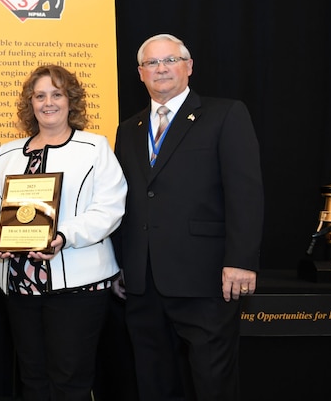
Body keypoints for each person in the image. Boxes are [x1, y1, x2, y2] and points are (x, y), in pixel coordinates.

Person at [113, 33, 264, 400]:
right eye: (152, 63)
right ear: (140, 73)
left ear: (189, 66)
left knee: (213, 379)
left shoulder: (225, 114)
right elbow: (125, 201)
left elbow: (245, 192)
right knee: (153, 378)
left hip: (206, 278)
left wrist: (241, 261)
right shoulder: (128, 129)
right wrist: (120, 264)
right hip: (142, 280)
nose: (161, 68)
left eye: (170, 60)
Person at [0, 64, 128, 401]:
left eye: (57, 94)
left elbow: (110, 208)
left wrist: (62, 235)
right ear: (30, 103)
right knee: (32, 379)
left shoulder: (95, 148)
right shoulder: (6, 153)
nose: (48, 102)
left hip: (79, 286)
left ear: (70, 100)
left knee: (70, 381)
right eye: (40, 96)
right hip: (19, 285)